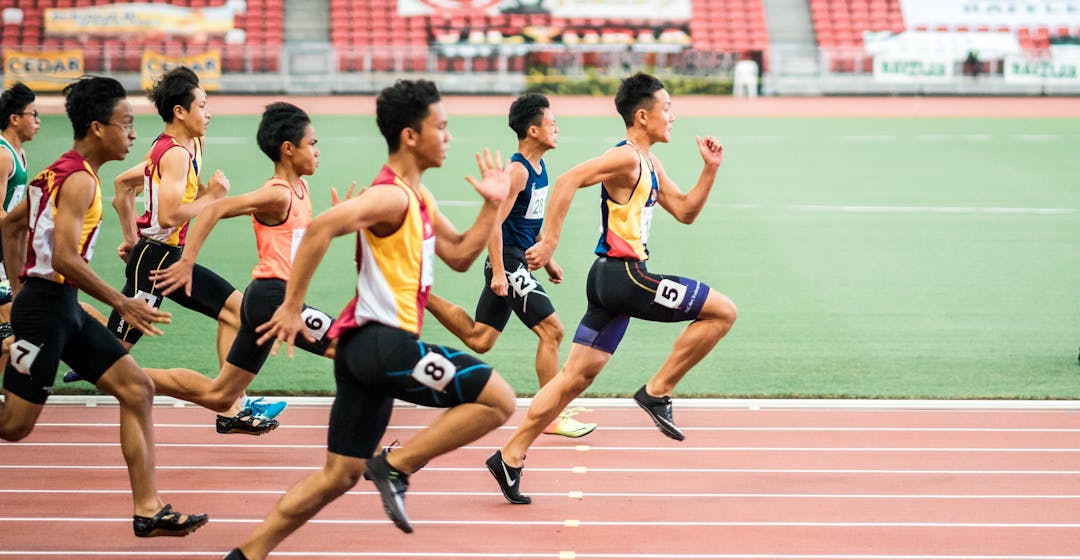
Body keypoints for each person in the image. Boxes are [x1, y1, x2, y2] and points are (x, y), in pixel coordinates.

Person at [221, 79, 516, 560]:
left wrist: (491, 205)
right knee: (499, 400)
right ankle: (397, 467)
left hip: (361, 354)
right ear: (410, 136)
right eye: (440, 127)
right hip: (385, 346)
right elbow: (320, 228)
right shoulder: (392, 197)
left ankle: (247, 554)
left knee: (338, 475)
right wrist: (292, 306)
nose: (449, 137)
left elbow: (462, 255)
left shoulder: (419, 198)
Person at [486, 72, 738, 505]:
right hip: (625, 277)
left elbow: (686, 211)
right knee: (723, 312)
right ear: (642, 116)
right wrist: (549, 241)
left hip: (610, 283)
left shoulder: (650, 163)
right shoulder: (623, 158)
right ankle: (657, 392)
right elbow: (566, 180)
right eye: (667, 109)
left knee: (572, 378)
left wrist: (709, 170)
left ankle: (510, 455)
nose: (673, 117)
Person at [0, 75, 208, 538]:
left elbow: (10, 226)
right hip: (46, 311)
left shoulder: (57, 172)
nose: (133, 134)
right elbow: (65, 258)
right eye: (126, 124)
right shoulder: (75, 180)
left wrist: (18, 290)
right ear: (98, 128)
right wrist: (121, 302)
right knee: (14, 427)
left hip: (59, 306)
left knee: (136, 389)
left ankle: (148, 509)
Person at [64, 67, 282, 432]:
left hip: (162, 256)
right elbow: (168, 213)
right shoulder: (175, 153)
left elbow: (124, 185)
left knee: (235, 312)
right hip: (155, 261)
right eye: (203, 106)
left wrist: (131, 235)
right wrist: (212, 198)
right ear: (180, 111)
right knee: (116, 350)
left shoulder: (190, 145)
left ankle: (233, 405)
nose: (209, 114)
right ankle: (56, 318)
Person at [147, 102, 343, 434]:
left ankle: (118, 371)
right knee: (353, 348)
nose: (317, 151)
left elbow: (297, 241)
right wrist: (187, 261)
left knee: (220, 395)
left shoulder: (301, 188)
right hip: (274, 299)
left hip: (264, 299)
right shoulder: (276, 194)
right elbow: (213, 210)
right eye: (312, 144)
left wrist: (339, 219)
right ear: (288, 149)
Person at [425, 92, 595, 438]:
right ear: (533, 131)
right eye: (551, 123)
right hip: (508, 262)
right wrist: (500, 271)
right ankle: (549, 415)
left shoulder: (539, 167)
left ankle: (420, 294)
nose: (557, 128)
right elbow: (493, 224)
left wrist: (549, 260)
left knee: (481, 338)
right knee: (553, 331)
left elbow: (526, 223)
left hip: (519, 260)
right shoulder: (516, 172)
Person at [0, 82, 40, 311]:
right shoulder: (3, 155)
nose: (38, 121)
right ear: (15, 119)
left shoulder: (20, 153)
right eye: (33, 114)